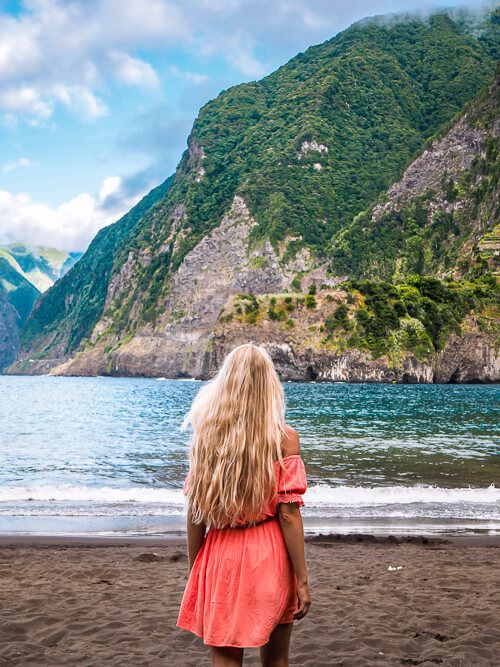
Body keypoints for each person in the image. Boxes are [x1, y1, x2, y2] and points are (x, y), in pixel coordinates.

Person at [176, 342, 311, 666]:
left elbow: (195, 515)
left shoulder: (206, 436)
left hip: (220, 553)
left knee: (225, 659)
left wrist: (197, 568)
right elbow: (289, 515)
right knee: (276, 660)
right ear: (269, 384)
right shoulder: (283, 438)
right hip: (270, 554)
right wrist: (302, 580)